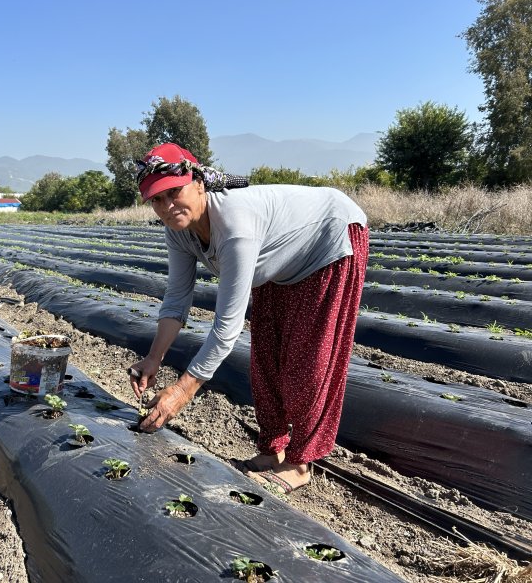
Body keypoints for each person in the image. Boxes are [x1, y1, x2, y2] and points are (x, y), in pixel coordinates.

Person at [129, 142, 368, 494]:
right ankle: (272, 450)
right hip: (280, 263)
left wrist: (182, 390)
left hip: (329, 240)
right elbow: (177, 297)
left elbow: (227, 327)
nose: (167, 207)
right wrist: (153, 358)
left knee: (305, 362)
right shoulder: (177, 230)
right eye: (157, 200)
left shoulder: (235, 225)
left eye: (174, 192)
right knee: (265, 358)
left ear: (198, 184)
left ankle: (299, 463)